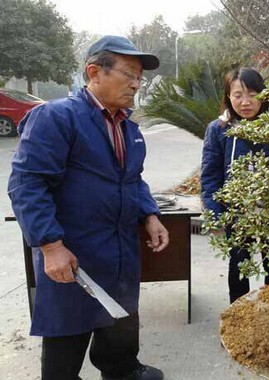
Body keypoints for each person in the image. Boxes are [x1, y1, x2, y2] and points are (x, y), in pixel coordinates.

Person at [8, 35, 169, 380]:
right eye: (128, 74)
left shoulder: (129, 128)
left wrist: (150, 213)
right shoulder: (56, 118)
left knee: (122, 316)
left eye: (138, 77)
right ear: (94, 72)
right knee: (68, 330)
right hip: (73, 249)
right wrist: (51, 246)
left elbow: (133, 180)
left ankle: (121, 368)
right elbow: (27, 184)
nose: (136, 84)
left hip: (120, 246)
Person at [200, 68, 269, 303]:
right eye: (237, 95)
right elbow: (210, 176)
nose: (245, 102)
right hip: (236, 214)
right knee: (238, 266)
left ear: (263, 95)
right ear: (228, 97)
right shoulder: (219, 129)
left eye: (252, 94)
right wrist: (216, 213)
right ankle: (238, 314)